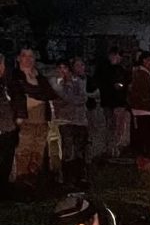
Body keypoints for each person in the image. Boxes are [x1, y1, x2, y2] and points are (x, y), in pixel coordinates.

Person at [8, 46, 58, 191]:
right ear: (19, 58)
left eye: (31, 56)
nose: (28, 59)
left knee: (38, 153)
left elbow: (49, 94)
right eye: (25, 56)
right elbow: (18, 97)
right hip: (25, 121)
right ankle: (21, 184)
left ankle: (33, 182)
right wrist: (31, 100)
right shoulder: (15, 77)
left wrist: (34, 97)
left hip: (41, 121)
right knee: (24, 152)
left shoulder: (40, 78)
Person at [53, 57, 90, 187]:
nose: (63, 71)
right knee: (68, 150)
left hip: (80, 120)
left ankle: (80, 177)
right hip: (65, 120)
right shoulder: (56, 83)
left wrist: (70, 99)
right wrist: (71, 99)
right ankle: (68, 178)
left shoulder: (77, 81)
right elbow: (60, 98)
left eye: (65, 68)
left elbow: (83, 98)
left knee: (80, 150)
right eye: (60, 68)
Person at [97, 47, 130, 158]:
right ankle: (111, 148)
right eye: (116, 55)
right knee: (112, 126)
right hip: (112, 102)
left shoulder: (117, 69)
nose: (117, 58)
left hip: (115, 102)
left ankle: (113, 148)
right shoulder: (106, 69)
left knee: (115, 127)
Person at [128, 51, 150, 164]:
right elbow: (143, 92)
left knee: (145, 134)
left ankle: (144, 156)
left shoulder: (143, 73)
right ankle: (144, 157)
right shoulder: (142, 74)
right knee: (146, 134)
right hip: (143, 109)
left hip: (143, 108)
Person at [0, 54, 20, 196]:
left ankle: (4, 187)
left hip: (8, 128)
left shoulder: (5, 83)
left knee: (6, 159)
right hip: (2, 128)